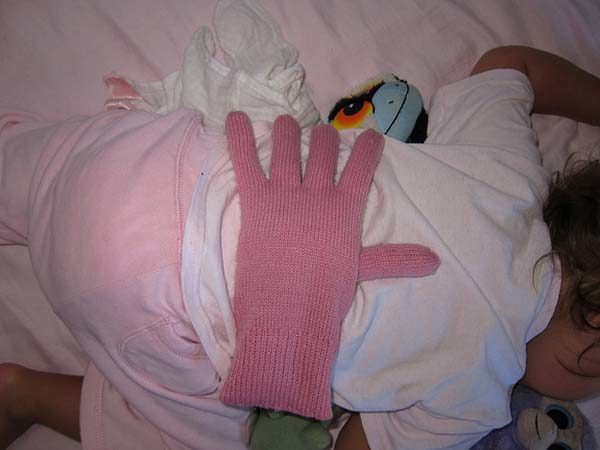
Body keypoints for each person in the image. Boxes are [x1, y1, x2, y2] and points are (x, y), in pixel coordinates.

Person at [0, 45, 599, 450]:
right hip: (161, 312)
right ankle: (22, 394)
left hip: (152, 159)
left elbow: (510, 63)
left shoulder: (509, 172)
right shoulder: (477, 397)